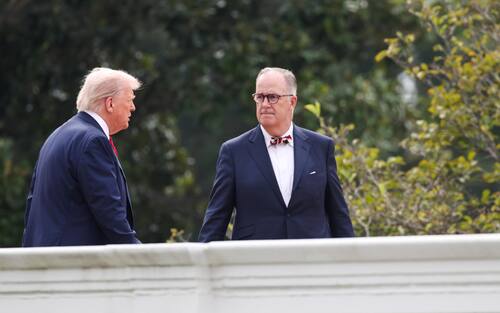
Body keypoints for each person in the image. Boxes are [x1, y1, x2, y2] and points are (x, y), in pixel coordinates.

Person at [198, 67, 354, 242]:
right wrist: (203, 264)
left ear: (292, 102)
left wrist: (350, 262)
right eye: (260, 97)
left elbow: (338, 215)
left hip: (311, 260)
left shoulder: (321, 147)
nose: (264, 104)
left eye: (272, 97)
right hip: (255, 261)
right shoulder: (233, 151)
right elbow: (216, 218)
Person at [22, 67, 142, 246]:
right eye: (130, 100)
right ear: (110, 103)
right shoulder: (93, 141)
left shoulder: (58, 136)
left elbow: (32, 207)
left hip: (47, 258)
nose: (133, 107)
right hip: (73, 265)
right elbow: (109, 212)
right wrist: (138, 253)